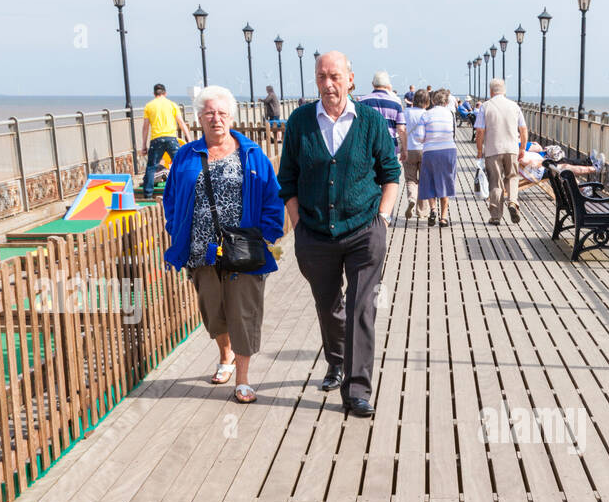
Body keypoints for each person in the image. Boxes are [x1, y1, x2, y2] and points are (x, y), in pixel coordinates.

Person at [279, 50, 400, 418]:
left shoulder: (370, 122)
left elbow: (391, 174)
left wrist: (382, 218)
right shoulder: (300, 122)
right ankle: (335, 360)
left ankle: (357, 389)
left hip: (365, 230)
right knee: (329, 305)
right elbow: (288, 179)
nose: (328, 84)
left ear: (350, 78)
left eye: (335, 76)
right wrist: (299, 226)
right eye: (321, 77)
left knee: (362, 307)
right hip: (315, 233)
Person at [162, 85, 284, 404]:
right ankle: (225, 351)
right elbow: (172, 197)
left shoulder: (252, 154)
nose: (216, 119)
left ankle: (242, 380)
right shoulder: (186, 156)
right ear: (199, 118)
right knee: (213, 312)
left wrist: (267, 235)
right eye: (209, 113)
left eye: (221, 113)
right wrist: (175, 228)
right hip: (201, 249)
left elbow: (273, 196)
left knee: (244, 311)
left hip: (243, 249)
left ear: (231, 116)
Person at [475, 78, 527, 225]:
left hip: (493, 149)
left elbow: (479, 131)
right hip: (512, 148)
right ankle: (512, 202)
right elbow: (523, 129)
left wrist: (480, 150)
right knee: (512, 177)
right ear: (504, 91)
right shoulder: (514, 106)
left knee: (495, 182)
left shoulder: (485, 106)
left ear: (491, 91)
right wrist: (522, 147)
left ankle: (496, 216)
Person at [141, 83, 190, 199]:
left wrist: (143, 144)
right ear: (165, 93)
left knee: (151, 167)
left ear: (154, 94)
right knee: (179, 164)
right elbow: (181, 123)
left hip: (156, 139)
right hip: (171, 138)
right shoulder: (172, 105)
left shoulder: (149, 106)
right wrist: (189, 139)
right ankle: (185, 189)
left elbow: (145, 127)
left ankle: (148, 195)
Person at [416, 88, 456, 227]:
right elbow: (454, 133)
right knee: (445, 181)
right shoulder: (450, 114)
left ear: (433, 101)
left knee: (429, 181)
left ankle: (433, 210)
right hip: (448, 150)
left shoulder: (426, 115)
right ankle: (444, 218)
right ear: (446, 102)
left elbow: (420, 137)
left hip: (430, 151)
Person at [359, 70, 407, 158]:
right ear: (388, 85)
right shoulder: (396, 103)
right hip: (390, 147)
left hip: (368, 149)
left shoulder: (362, 101)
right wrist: (404, 149)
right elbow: (401, 129)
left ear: (373, 84)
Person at [402, 87, 429, 219]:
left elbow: (401, 129)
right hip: (424, 149)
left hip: (409, 148)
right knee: (424, 180)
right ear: (427, 102)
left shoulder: (406, 112)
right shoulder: (427, 114)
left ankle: (412, 197)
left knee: (410, 179)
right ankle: (421, 211)